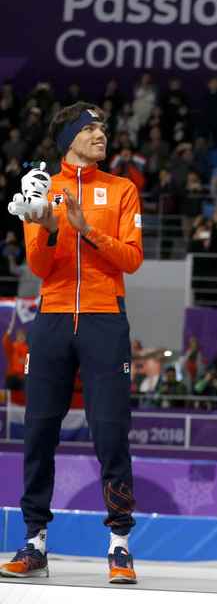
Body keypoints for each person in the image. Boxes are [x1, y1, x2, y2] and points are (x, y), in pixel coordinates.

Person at [1, 102, 142, 583]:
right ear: (69, 139)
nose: (101, 134)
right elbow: (39, 267)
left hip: (105, 319)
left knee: (111, 432)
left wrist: (86, 229)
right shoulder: (42, 188)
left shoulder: (122, 189)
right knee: (39, 431)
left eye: (103, 127)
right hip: (54, 317)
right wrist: (48, 227)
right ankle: (34, 542)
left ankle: (119, 544)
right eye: (90, 128)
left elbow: (132, 259)